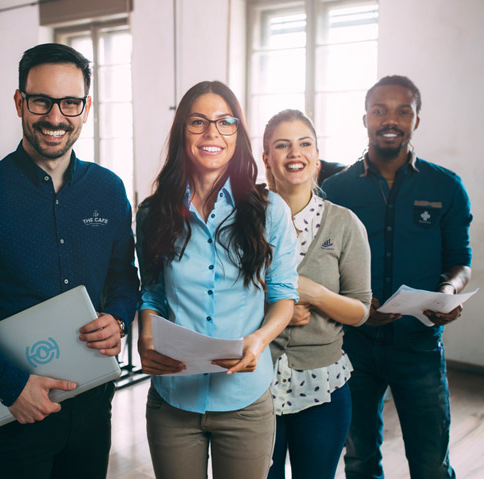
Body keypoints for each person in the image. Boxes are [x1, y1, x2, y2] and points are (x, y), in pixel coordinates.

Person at [0, 43, 139, 479]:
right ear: (20, 101)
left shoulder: (109, 190)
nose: (56, 117)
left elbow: (124, 278)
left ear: (86, 107)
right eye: (41, 101)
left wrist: (117, 317)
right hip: (14, 411)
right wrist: (10, 385)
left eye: (70, 103)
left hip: (93, 404)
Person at [136, 81, 299, 479]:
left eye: (225, 122)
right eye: (199, 122)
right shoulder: (154, 212)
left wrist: (259, 341)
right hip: (173, 400)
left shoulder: (269, 210)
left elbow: (283, 295)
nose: (213, 133)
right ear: (181, 133)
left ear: (238, 134)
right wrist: (144, 335)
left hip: (245, 401)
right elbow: (152, 292)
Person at [321, 75, 472, 479]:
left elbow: (461, 260)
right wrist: (352, 302)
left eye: (403, 111)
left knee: (431, 463)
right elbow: (319, 265)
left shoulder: (446, 186)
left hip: (419, 346)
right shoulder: (335, 190)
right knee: (359, 459)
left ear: (416, 120)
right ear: (365, 118)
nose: (391, 120)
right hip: (353, 347)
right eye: (380, 110)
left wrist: (448, 290)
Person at [261, 109, 372, 479]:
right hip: (253, 381)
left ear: (317, 157)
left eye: (304, 143)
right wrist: (277, 309)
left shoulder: (344, 224)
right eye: (282, 145)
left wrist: (316, 294)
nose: (295, 153)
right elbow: (218, 295)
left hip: (323, 386)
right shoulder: (241, 221)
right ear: (266, 159)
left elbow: (361, 310)